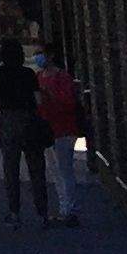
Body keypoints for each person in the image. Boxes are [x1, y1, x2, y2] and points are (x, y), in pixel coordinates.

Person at [0, 40, 50, 222]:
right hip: (29, 120)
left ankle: (14, 211)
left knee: (10, 167)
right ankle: (42, 211)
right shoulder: (29, 73)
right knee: (36, 167)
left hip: (8, 121)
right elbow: (38, 100)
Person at [35, 42, 85, 225]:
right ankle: (65, 207)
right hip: (48, 129)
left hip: (63, 128)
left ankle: (70, 209)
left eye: (41, 53)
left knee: (64, 169)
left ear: (50, 56)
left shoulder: (62, 78)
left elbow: (69, 102)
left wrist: (49, 95)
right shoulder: (38, 76)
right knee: (56, 171)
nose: (38, 57)